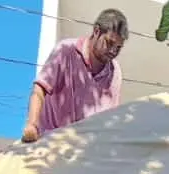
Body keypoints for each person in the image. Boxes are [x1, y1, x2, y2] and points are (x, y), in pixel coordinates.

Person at [22, 9, 127, 143]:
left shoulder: (115, 72)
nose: (113, 51)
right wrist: (32, 124)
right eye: (109, 43)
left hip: (85, 151)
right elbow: (39, 89)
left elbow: (111, 119)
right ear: (96, 31)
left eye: (118, 48)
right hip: (51, 143)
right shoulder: (66, 51)